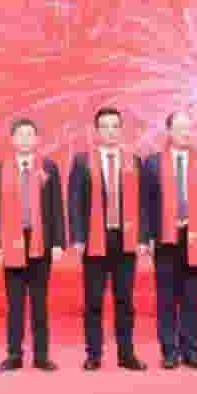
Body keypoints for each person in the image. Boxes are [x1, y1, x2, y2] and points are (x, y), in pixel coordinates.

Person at [68, 107, 146, 371]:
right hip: (94, 239)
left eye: (115, 126)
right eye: (105, 126)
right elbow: (75, 200)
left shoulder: (134, 161)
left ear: (121, 129)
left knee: (125, 301)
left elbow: (143, 203)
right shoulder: (82, 161)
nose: (110, 131)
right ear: (96, 131)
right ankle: (94, 354)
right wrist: (78, 237)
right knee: (93, 301)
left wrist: (143, 237)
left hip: (126, 239)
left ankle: (127, 354)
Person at [142, 111, 197, 371]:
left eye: (189, 128)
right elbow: (145, 203)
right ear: (169, 131)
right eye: (180, 128)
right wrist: (146, 237)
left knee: (191, 298)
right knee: (166, 297)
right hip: (165, 238)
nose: (186, 132)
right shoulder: (152, 163)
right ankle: (169, 351)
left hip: (196, 239)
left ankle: (191, 351)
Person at [0, 118, 65, 372]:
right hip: (12, 242)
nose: (24, 138)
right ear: (12, 139)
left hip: (41, 241)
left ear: (37, 139)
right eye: (20, 134)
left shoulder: (49, 167)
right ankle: (14, 355)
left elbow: (56, 207)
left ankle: (41, 355)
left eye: (29, 134)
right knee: (15, 303)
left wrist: (58, 242)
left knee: (39, 301)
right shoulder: (0, 170)